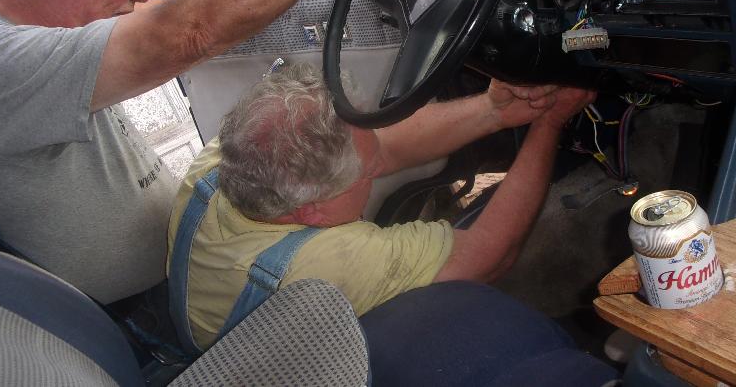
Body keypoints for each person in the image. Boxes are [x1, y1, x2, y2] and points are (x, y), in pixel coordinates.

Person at [0, 0, 456, 304]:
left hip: (180, 266)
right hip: (133, 316)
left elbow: (183, 18)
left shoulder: (39, 33)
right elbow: (186, 29)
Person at [168, 63, 594, 349]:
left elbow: (383, 148)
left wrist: (493, 110)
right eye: (368, 175)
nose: (377, 171)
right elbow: (489, 254)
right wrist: (549, 121)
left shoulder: (224, 157)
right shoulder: (327, 267)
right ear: (311, 211)